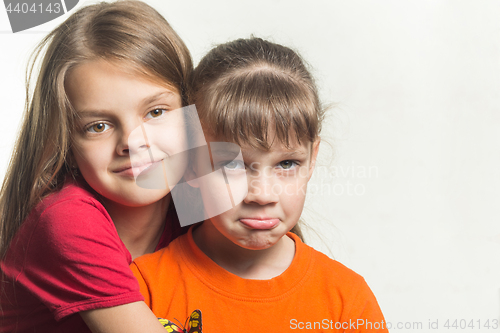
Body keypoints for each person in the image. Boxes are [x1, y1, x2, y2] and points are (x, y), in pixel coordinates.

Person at [130, 37, 389, 332]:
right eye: (231, 165)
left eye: (286, 164)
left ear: (312, 159)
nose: (262, 195)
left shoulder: (346, 300)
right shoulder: (144, 289)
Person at [0, 1, 194, 332]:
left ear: (192, 110)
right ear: (67, 142)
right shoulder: (64, 220)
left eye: (156, 112)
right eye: (98, 126)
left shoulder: (201, 199)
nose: (133, 143)